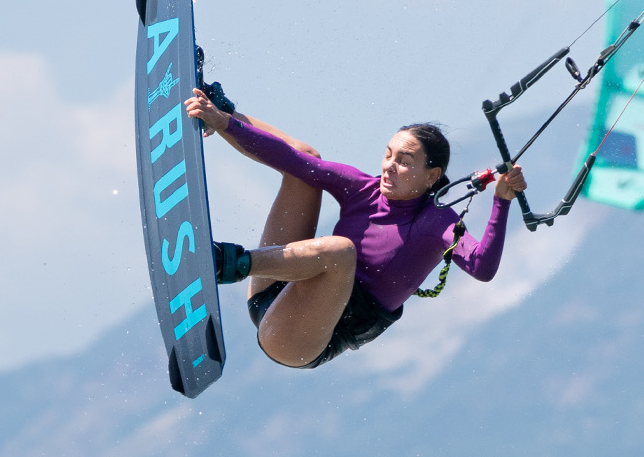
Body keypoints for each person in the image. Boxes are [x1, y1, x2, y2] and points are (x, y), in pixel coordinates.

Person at [184, 87, 527, 371]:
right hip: (274, 293)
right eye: (388, 155)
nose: (390, 167)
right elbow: (288, 159)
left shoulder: (438, 224)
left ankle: (224, 262)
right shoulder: (361, 187)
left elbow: (482, 267)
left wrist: (502, 201)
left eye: (404, 162)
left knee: (340, 252)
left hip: (300, 340)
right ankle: (217, 112)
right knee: (306, 161)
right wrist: (224, 123)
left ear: (431, 177)